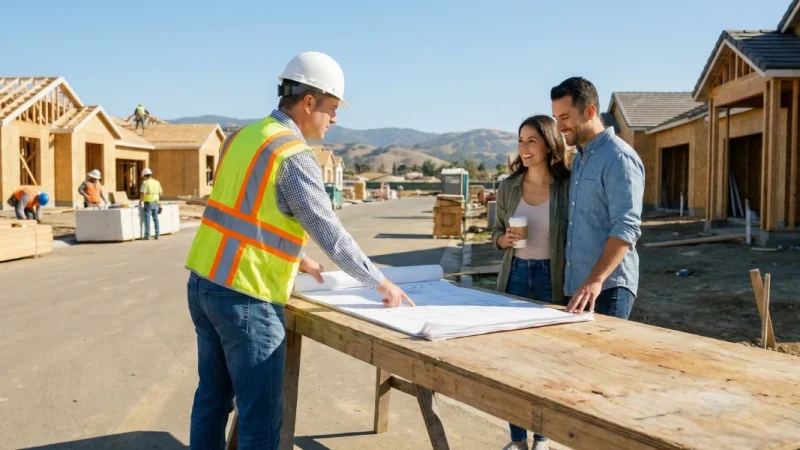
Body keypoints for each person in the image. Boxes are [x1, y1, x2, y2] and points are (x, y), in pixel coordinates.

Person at [183, 51, 415, 450]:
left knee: (212, 400)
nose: (335, 119)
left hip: (204, 282)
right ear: (309, 102)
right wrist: (380, 281)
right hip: (246, 297)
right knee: (261, 417)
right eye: (332, 108)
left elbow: (246, 210)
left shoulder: (241, 137)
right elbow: (331, 233)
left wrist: (295, 255)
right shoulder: (293, 156)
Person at [492, 115, 570, 450]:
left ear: (549, 143)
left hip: (552, 277)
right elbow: (495, 233)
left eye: (531, 141)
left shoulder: (567, 185)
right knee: (513, 362)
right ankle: (517, 439)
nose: (523, 148)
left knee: (547, 360)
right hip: (516, 275)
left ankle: (542, 439)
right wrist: (503, 240)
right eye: (520, 141)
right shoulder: (508, 186)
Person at [550, 76, 645, 318]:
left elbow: (626, 227)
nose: (559, 127)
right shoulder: (581, 158)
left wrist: (595, 280)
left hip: (607, 288)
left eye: (564, 117)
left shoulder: (619, 158)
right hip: (578, 286)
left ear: (590, 111)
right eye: (556, 118)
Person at [139, 168, 162, 240]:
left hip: (148, 202)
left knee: (147, 218)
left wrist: (140, 201)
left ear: (144, 176)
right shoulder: (157, 182)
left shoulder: (145, 183)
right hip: (156, 202)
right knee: (155, 218)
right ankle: (157, 234)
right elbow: (161, 193)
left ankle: (147, 235)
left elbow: (142, 193)